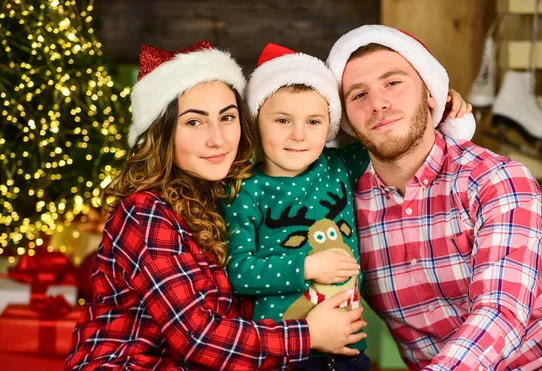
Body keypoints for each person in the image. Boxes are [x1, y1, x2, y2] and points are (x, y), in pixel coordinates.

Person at [65, 40, 367, 371]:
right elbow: (197, 338)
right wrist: (307, 334)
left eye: (227, 117)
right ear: (162, 132)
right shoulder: (147, 212)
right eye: (194, 122)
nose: (217, 138)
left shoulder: (226, 196)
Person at [326, 25, 542, 370]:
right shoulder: (344, 205)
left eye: (393, 83)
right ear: (347, 118)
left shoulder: (496, 180)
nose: (378, 103)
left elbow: (499, 312)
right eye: (358, 95)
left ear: (430, 94)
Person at [221, 43, 475, 370]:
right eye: (283, 120)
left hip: (350, 348)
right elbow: (239, 272)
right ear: (256, 123)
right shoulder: (244, 190)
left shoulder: (340, 165)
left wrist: (442, 107)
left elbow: (393, 139)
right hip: (286, 351)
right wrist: (306, 268)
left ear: (329, 126)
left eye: (313, 122)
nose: (299, 135)